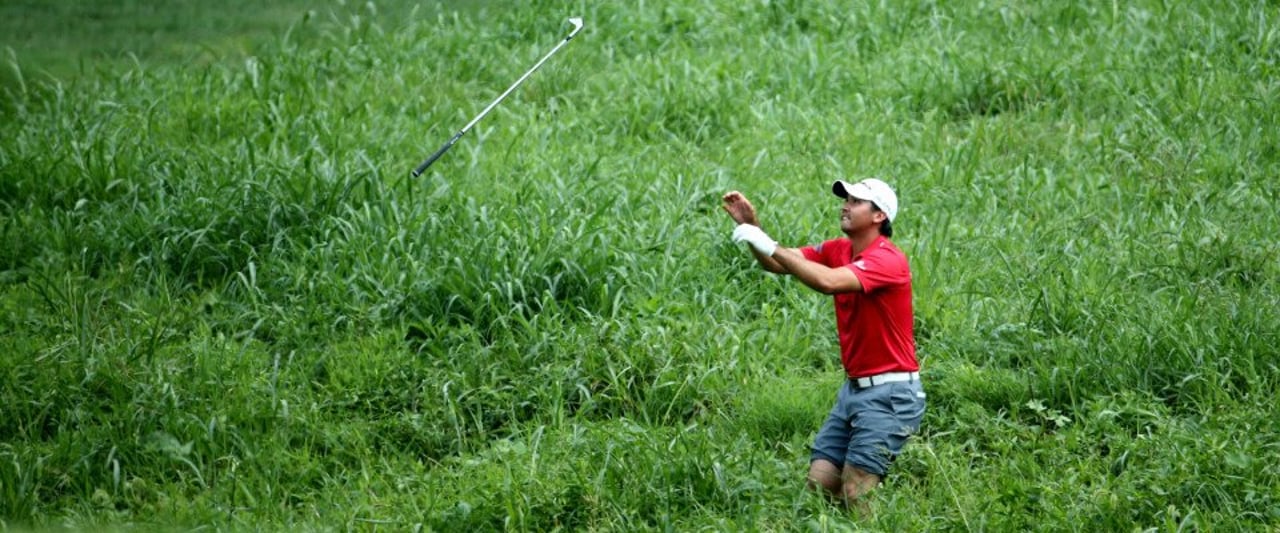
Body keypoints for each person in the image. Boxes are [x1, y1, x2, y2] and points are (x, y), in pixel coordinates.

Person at [722, 178, 926, 510]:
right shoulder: (839, 249)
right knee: (821, 483)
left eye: (856, 201)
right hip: (854, 391)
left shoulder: (887, 260)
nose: (845, 205)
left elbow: (827, 282)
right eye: (846, 199)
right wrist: (752, 229)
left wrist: (766, 242)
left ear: (879, 216)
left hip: (890, 394)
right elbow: (776, 263)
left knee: (856, 492)